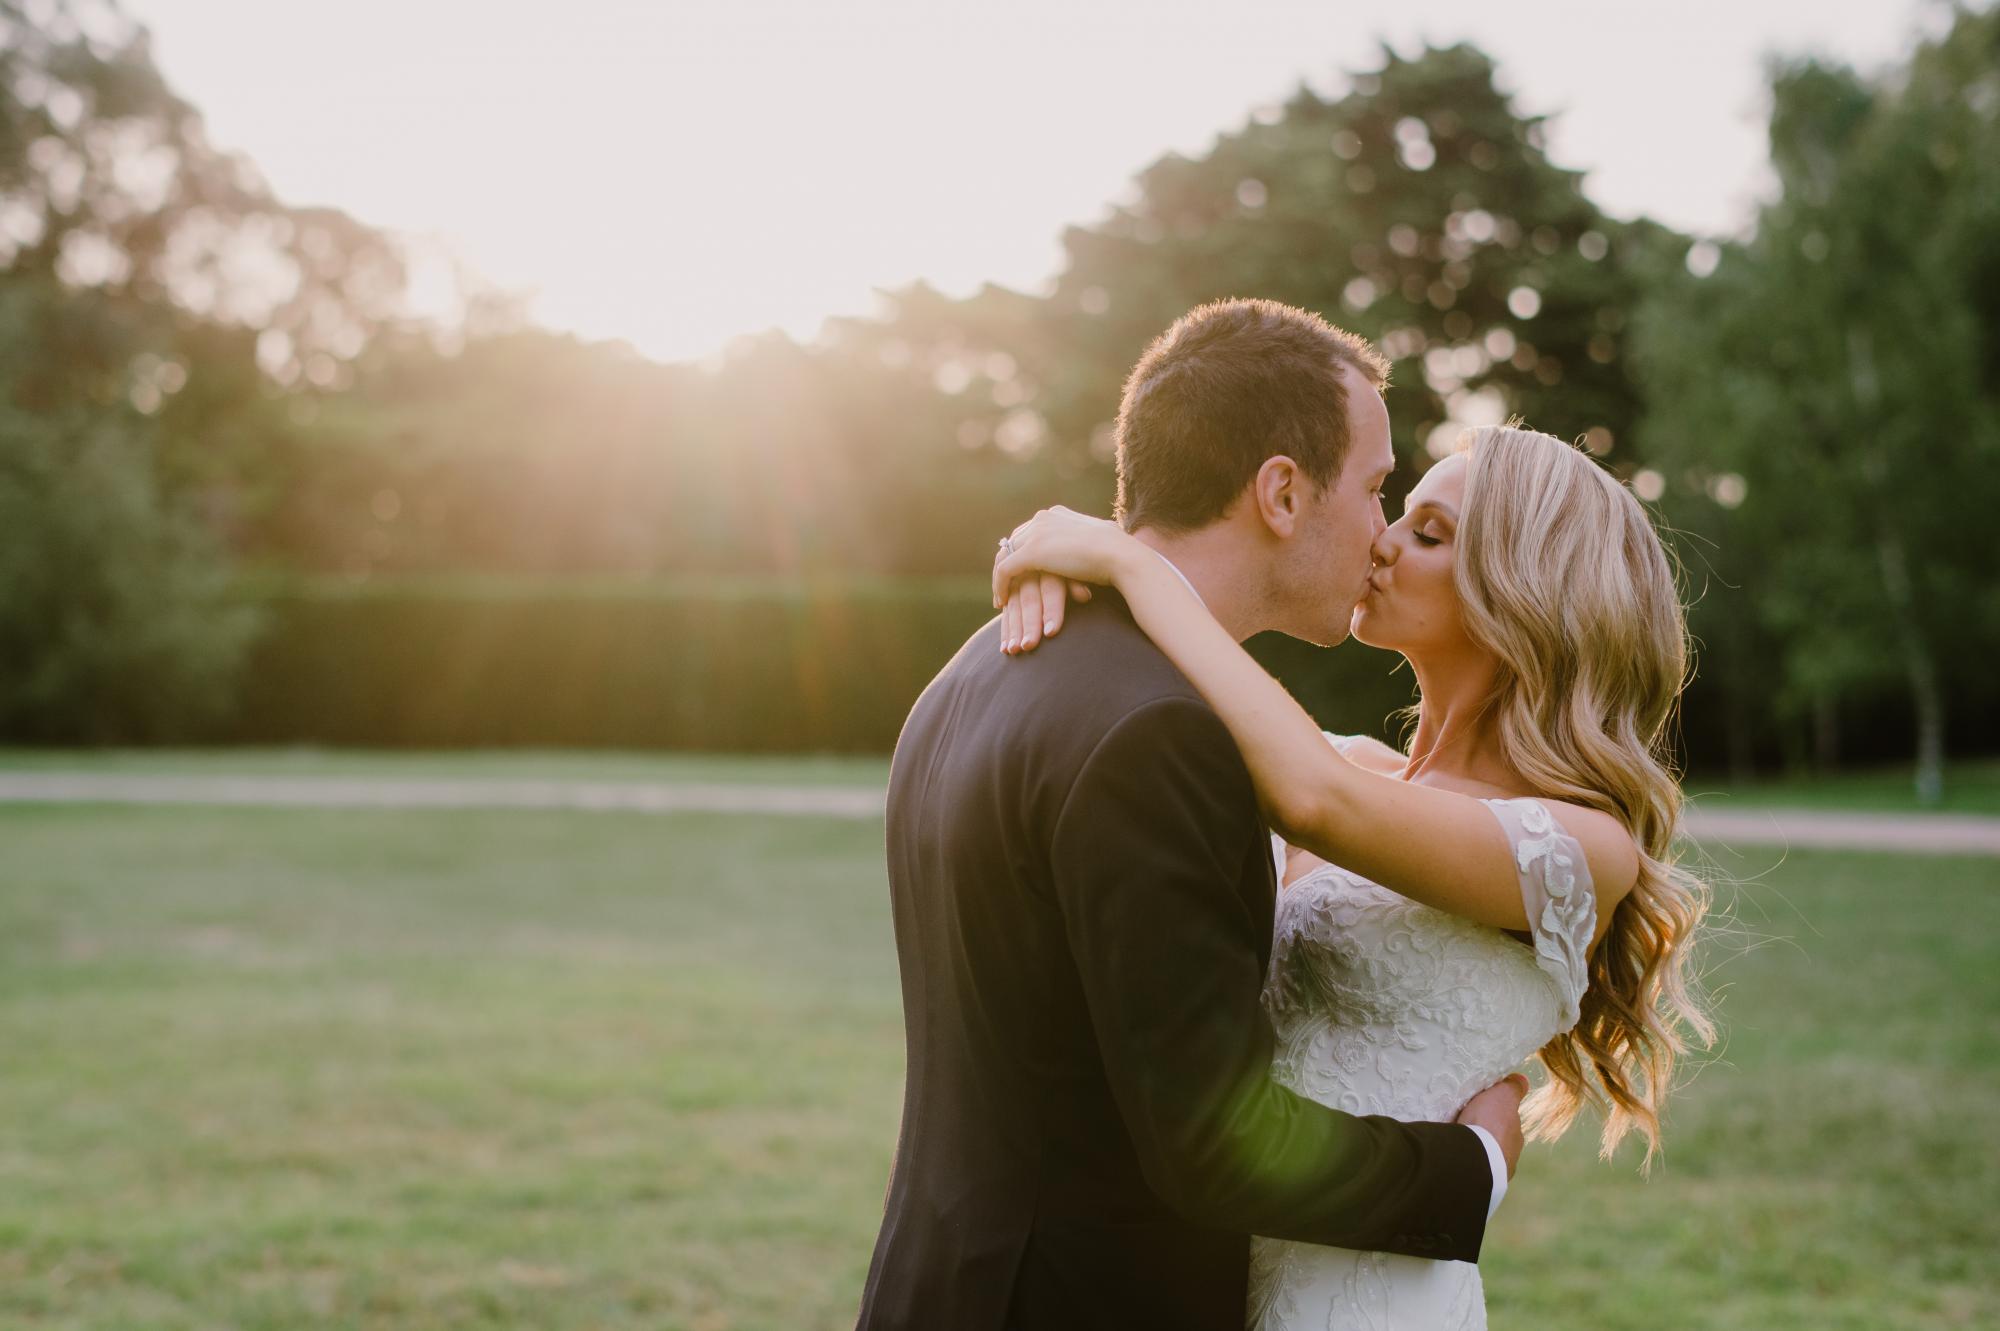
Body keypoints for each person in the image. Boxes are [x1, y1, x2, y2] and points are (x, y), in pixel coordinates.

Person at [856, 299, 1525, 1331]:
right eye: (1375, 486)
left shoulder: (976, 666)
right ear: (1280, 491)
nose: (1381, 532)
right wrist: (1466, 1170)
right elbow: (1210, 1141)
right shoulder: (1162, 732)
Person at [991, 419, 1714, 1329]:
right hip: (1219, 1268)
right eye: (1398, 513)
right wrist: (1067, 564)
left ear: (1522, 592)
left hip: (1368, 1296)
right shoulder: (1359, 768)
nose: (1381, 541)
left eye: (1428, 533)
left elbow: (1311, 797)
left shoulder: (1579, 847)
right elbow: (1212, 718)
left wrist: (1137, 570)